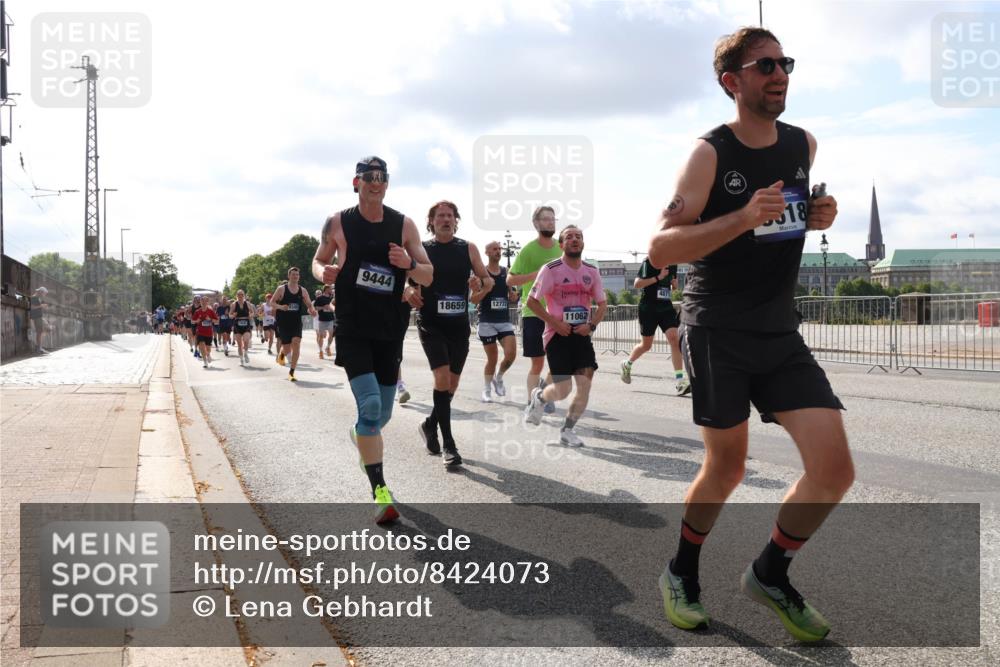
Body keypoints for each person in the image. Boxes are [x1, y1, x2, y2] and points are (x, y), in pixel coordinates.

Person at [647, 27, 850, 642]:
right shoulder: (710, 152)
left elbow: (783, 220)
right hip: (718, 329)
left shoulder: (802, 144)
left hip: (778, 329)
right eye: (765, 65)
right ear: (732, 82)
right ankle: (681, 572)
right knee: (727, 468)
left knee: (834, 469)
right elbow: (660, 246)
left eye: (785, 62)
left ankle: (770, 572)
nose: (779, 73)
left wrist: (818, 215)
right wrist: (743, 215)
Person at [312, 155, 432, 523]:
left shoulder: (404, 225)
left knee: (382, 413)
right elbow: (318, 261)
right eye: (369, 177)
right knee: (371, 408)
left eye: (382, 177)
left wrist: (408, 265)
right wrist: (324, 272)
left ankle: (359, 435)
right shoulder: (337, 222)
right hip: (352, 326)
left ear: (387, 184)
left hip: (389, 329)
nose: (375, 182)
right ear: (356, 182)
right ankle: (379, 491)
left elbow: (427, 275)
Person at [406, 200, 493, 467]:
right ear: (430, 221)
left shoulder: (468, 248)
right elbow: (407, 279)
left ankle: (429, 424)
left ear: (457, 220)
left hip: (458, 326)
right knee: (442, 378)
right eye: (440, 215)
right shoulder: (422, 249)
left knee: (451, 386)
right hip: (431, 323)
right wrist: (408, 291)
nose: (446, 219)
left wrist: (480, 283)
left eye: (450, 215)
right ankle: (450, 446)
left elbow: (487, 280)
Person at [522, 226, 606, 447]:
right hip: (557, 336)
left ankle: (567, 430)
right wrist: (555, 323)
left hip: (581, 335)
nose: (574, 240)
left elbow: (602, 303)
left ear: (583, 243)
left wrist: (592, 325)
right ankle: (539, 398)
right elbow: (531, 301)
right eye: (569, 237)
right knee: (562, 390)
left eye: (578, 237)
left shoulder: (591, 271)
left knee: (585, 384)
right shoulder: (551, 269)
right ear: (561, 244)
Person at [508, 206, 563, 409]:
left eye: (552, 219)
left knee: (559, 360)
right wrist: (535, 275)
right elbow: (510, 279)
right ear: (536, 224)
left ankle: (544, 391)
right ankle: (533, 403)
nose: (550, 222)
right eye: (545, 219)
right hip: (533, 313)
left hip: (558, 314)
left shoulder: (562, 248)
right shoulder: (528, 250)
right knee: (538, 362)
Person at [620, 260, 691, 395]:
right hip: (648, 307)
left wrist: (674, 285)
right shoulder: (650, 261)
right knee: (646, 345)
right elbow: (637, 284)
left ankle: (680, 381)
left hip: (665, 306)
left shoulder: (673, 264)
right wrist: (658, 277)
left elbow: (672, 286)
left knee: (674, 338)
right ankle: (627, 364)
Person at [473, 241, 518, 403]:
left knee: (511, 354)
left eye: (499, 249)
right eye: (494, 249)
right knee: (492, 358)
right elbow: (473, 298)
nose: (498, 251)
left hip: (503, 321)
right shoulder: (481, 273)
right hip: (487, 321)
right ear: (486, 253)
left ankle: (498, 377)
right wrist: (486, 289)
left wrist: (513, 297)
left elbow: (512, 294)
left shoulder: (507, 272)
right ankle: (486, 390)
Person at [269, 268, 317, 382]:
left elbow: (309, 305)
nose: (296, 276)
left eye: (297, 274)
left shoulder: (303, 290)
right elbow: (272, 302)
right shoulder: (282, 289)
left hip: (296, 322)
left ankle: (291, 372)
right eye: (293, 274)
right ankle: (282, 353)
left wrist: (312, 310)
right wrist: (281, 307)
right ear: (289, 276)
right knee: (286, 347)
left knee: (296, 342)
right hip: (283, 322)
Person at [230, 290, 255, 366]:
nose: (240, 296)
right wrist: (233, 315)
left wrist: (251, 315)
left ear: (244, 295)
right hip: (237, 324)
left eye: (242, 295)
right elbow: (230, 315)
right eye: (239, 295)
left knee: (246, 340)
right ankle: (241, 359)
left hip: (246, 323)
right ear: (236, 296)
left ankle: (246, 353)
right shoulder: (234, 304)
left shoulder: (247, 304)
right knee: (239, 344)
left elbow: (253, 312)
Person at [192, 296, 219, 368]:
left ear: (207, 302)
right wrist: (196, 321)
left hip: (209, 333)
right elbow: (192, 321)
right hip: (200, 332)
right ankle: (205, 362)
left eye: (205, 301)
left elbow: (216, 320)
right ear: (200, 302)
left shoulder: (211, 311)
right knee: (201, 346)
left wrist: (210, 319)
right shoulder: (197, 312)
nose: (204, 303)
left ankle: (208, 354)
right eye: (202, 301)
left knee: (208, 348)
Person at [313, 284, 337, 359]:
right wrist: (323, 307)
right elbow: (316, 308)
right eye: (330, 289)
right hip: (322, 320)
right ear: (326, 289)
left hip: (330, 319)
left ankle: (328, 347)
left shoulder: (331, 298)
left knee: (331, 334)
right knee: (320, 336)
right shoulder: (319, 298)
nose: (331, 290)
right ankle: (320, 351)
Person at [29, 286, 51, 354]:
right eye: (44, 293)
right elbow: (32, 307)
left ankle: (39, 346)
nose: (44, 295)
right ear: (41, 292)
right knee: (40, 332)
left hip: (40, 317)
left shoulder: (38, 298)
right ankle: (39, 348)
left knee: (47, 329)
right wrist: (41, 306)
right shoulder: (34, 297)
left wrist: (44, 306)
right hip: (36, 317)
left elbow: (38, 307)